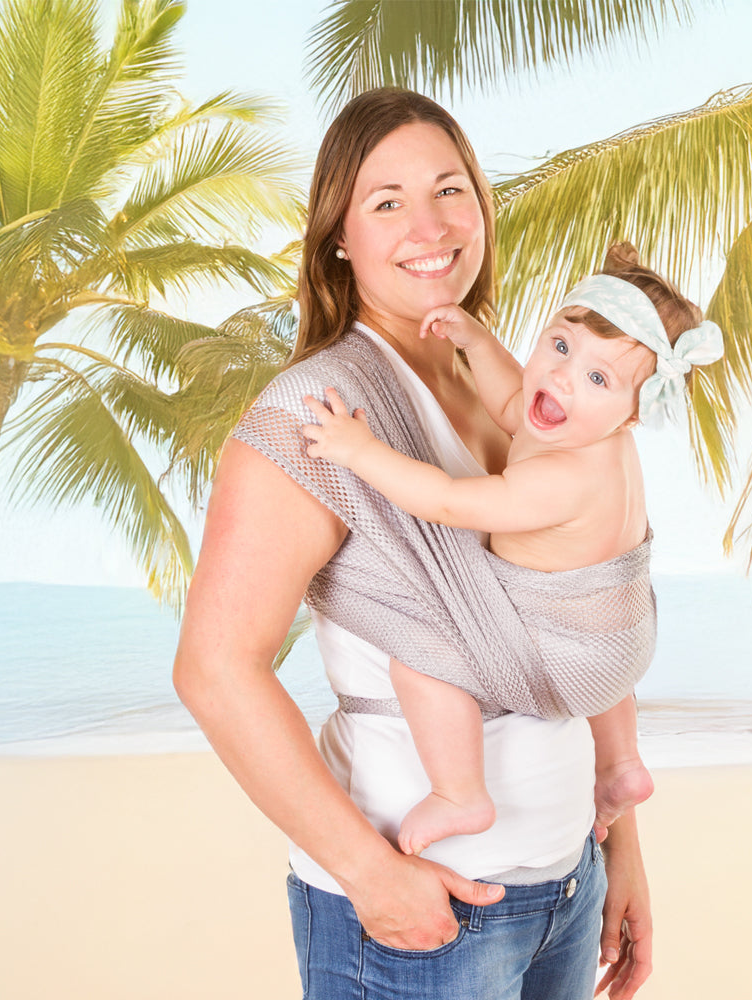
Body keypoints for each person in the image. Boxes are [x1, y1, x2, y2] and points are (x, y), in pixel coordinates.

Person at [174, 87, 653, 1000]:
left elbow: (577, 616)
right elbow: (214, 670)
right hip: (423, 915)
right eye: (387, 202)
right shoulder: (317, 416)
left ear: (482, 205)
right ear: (338, 237)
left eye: (450, 190)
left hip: (567, 884)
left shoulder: (523, 387)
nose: (429, 226)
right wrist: (370, 876)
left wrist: (620, 847)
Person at [301, 244, 721, 858]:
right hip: (618, 641)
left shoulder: (561, 478)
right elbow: (508, 404)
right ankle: (621, 763)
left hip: (564, 655)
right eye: (561, 344)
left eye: (597, 378)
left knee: (418, 660)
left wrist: (360, 451)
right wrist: (475, 340)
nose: (560, 377)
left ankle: (460, 793)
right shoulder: (596, 438)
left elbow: (446, 501)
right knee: (595, 633)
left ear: (636, 413)